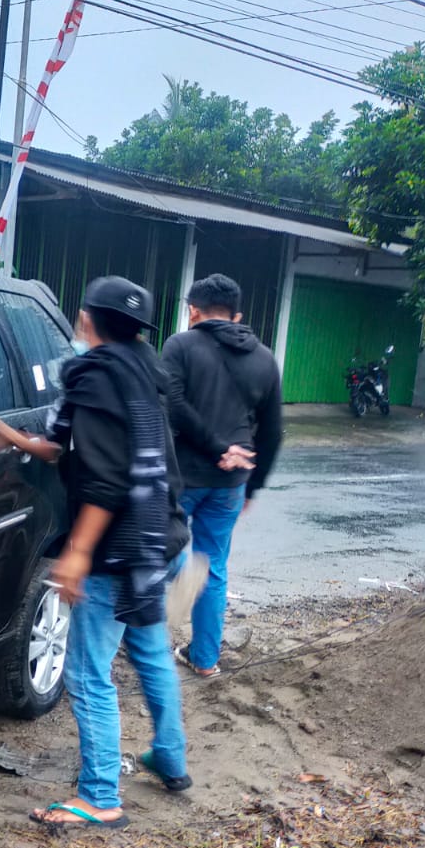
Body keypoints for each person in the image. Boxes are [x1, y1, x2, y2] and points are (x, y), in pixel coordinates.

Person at [17, 277, 194, 831]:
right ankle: (169, 758)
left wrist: (77, 554)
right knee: (148, 651)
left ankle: (99, 796)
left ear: (85, 319)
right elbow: (70, 449)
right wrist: (9, 437)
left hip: (119, 552)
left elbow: (104, 482)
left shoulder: (93, 379)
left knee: (89, 674)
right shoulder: (143, 372)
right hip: (161, 542)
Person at [160, 274, 283, 679]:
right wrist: (255, 482)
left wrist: (214, 447)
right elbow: (272, 430)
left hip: (182, 476)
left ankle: (138, 639)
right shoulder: (265, 358)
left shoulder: (180, 345)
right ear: (237, 315)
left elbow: (172, 405)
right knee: (213, 566)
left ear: (193, 310)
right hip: (232, 483)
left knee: (156, 549)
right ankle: (205, 659)